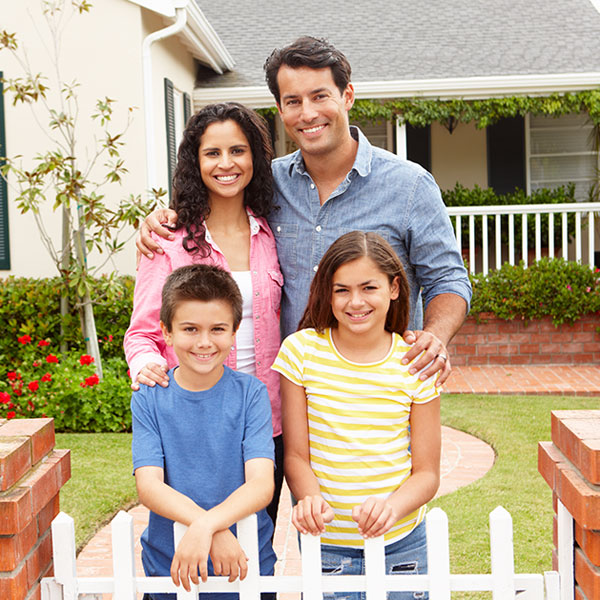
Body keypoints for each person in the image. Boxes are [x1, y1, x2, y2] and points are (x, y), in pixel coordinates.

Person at [136, 36, 471, 387]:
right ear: (280, 111)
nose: (308, 113)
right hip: (292, 393)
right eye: (293, 101)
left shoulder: (409, 186)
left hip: (379, 392)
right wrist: (163, 219)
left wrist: (435, 335)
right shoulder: (266, 183)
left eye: (320, 96)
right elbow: (215, 203)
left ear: (348, 96)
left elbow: (447, 279)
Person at [124, 102, 284, 526]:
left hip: (266, 418)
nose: (226, 163)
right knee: (194, 544)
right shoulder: (168, 241)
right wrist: (150, 369)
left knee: (253, 547)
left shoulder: (273, 231)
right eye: (212, 153)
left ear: (255, 157)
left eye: (238, 150)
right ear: (195, 162)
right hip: (195, 423)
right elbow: (142, 333)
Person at [272, 231, 440, 600]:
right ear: (327, 293)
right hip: (327, 546)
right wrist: (310, 498)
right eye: (342, 290)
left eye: (369, 287)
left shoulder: (414, 363)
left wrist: (391, 508)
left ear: (394, 288)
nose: (355, 302)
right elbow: (297, 456)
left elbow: (427, 474)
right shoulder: (301, 352)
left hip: (402, 544)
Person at [132, 264, 276, 600]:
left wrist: (206, 526)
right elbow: (149, 485)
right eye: (190, 329)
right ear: (166, 331)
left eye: (218, 329)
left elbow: (261, 484)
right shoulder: (150, 397)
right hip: (171, 566)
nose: (205, 342)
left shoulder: (251, 394)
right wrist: (209, 526)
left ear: (235, 330)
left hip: (246, 564)